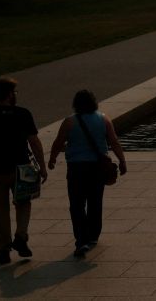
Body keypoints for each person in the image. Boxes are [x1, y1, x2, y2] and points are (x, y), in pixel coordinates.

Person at [48, 90, 127, 258]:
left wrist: (52, 159)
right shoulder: (104, 119)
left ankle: (81, 240)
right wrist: (122, 160)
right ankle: (93, 236)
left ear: (76, 104)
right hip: (97, 168)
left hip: (77, 168)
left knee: (76, 204)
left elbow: (58, 142)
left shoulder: (69, 122)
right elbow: (114, 141)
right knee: (95, 201)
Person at [0, 77, 47, 265]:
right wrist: (42, 166)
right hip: (22, 167)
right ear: (10, 94)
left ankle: (3, 249)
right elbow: (34, 142)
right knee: (23, 203)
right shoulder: (22, 114)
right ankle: (21, 236)